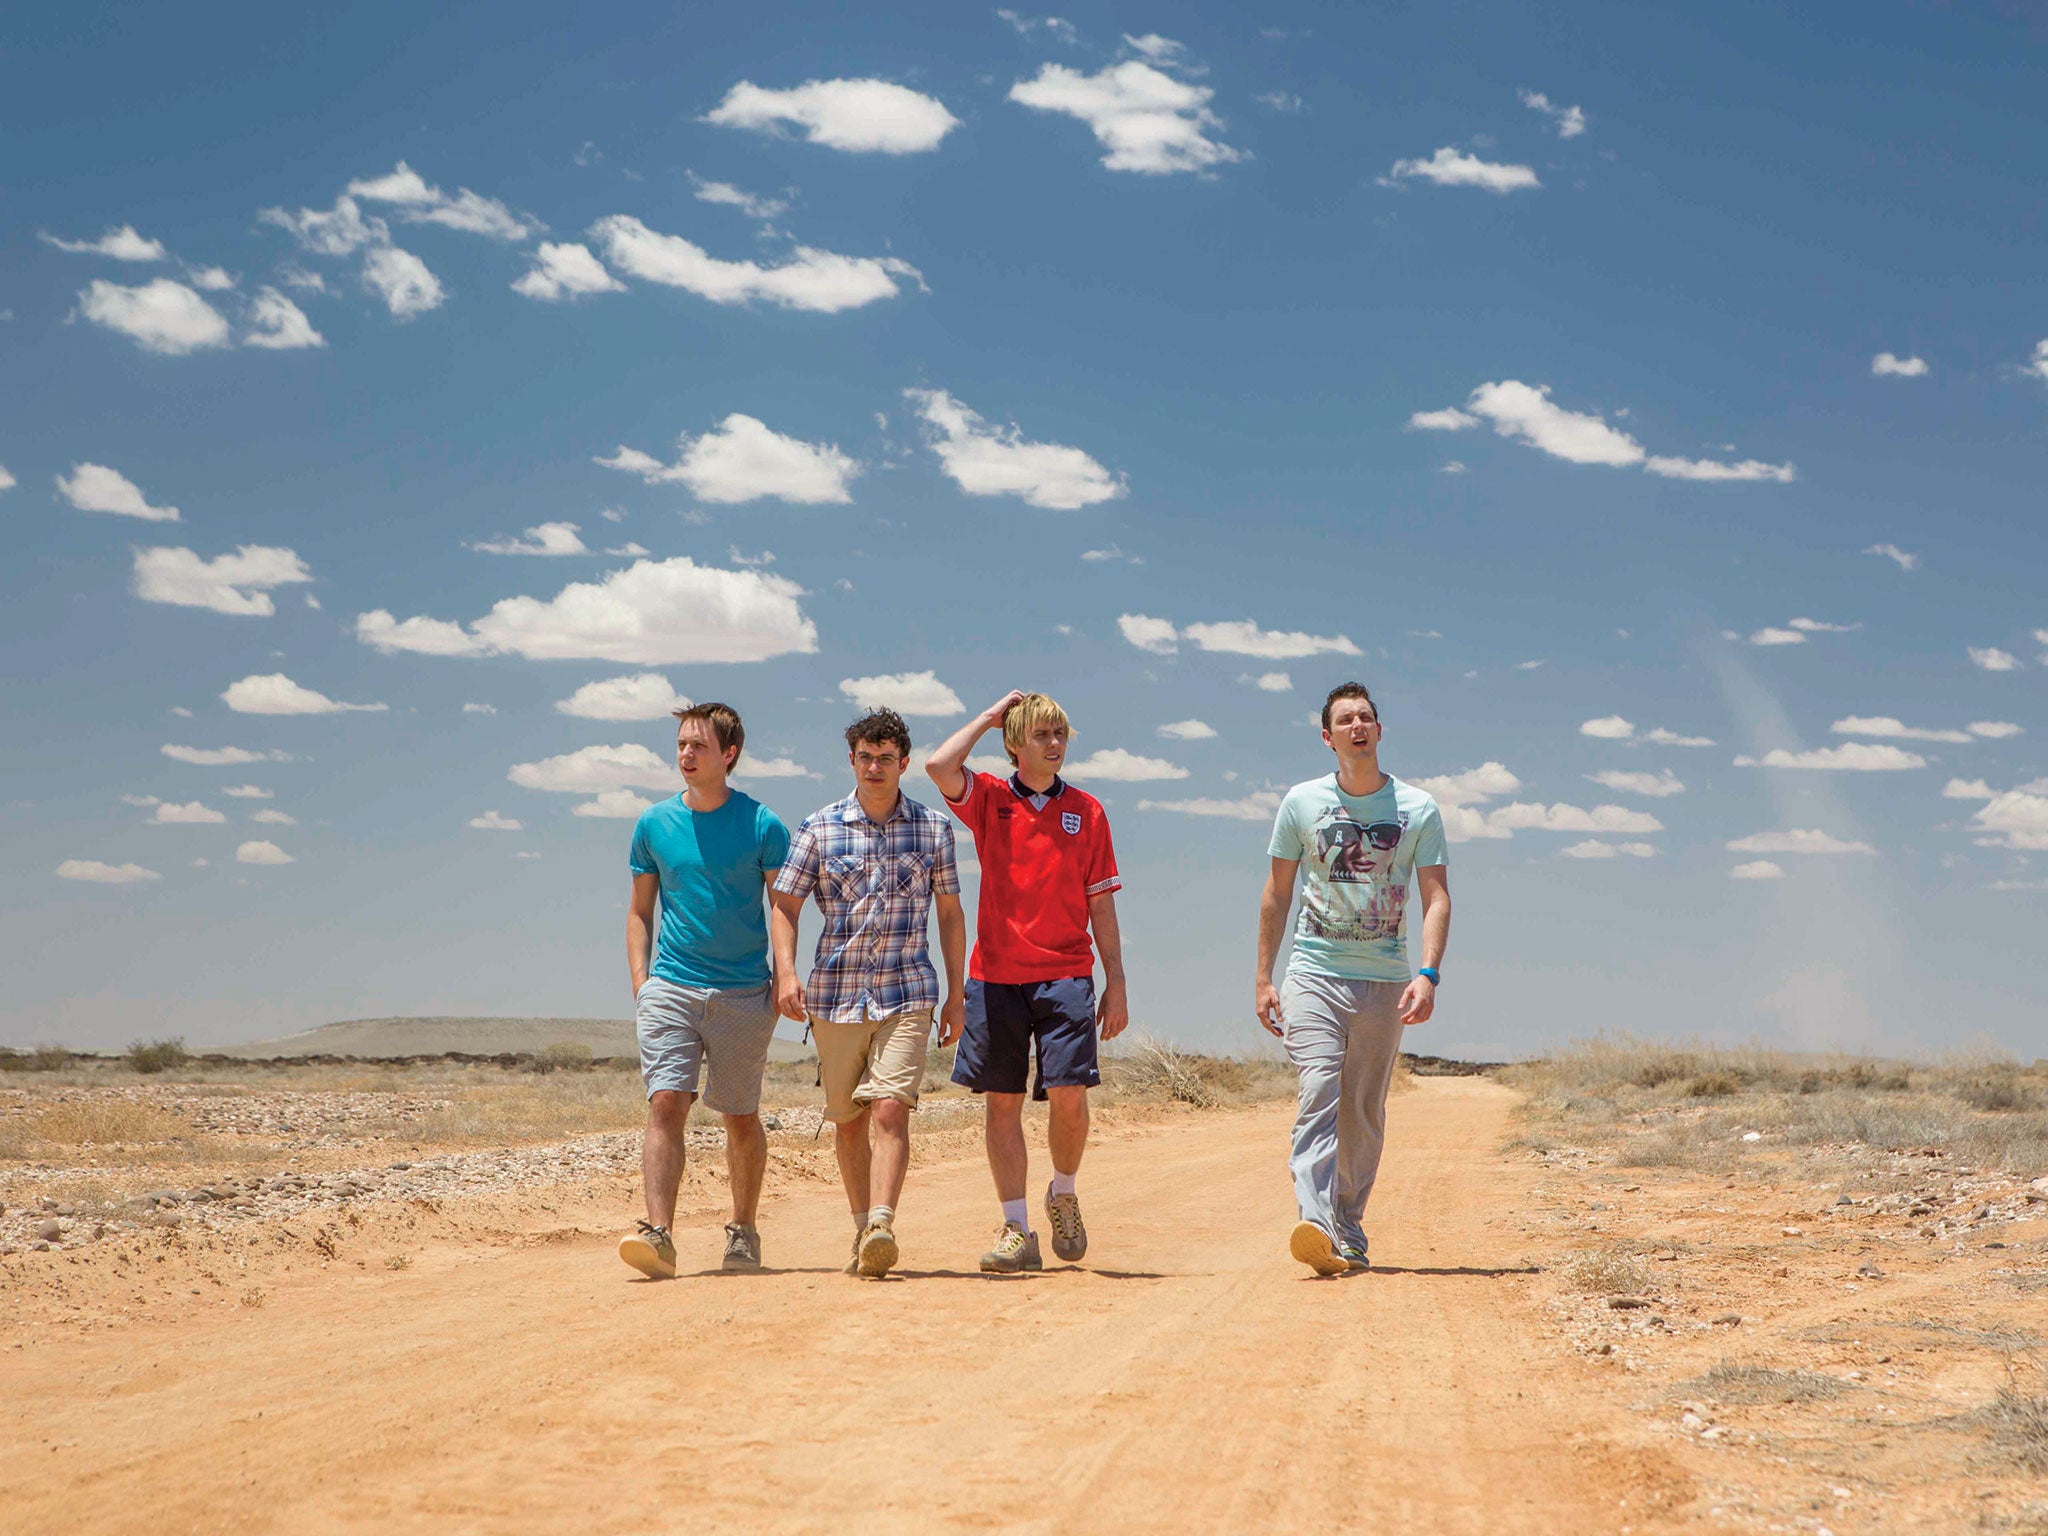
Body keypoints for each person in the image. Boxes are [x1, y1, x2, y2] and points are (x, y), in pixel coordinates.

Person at [924, 690, 1128, 1274]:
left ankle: (1063, 1192)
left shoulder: (1087, 810)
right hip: (995, 976)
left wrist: (1116, 983)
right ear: (1014, 745)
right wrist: (991, 717)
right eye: (1041, 734)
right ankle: (1017, 1228)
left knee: (1069, 1097)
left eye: (1060, 733)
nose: (1055, 743)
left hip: (1066, 974)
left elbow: (1103, 904)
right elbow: (940, 767)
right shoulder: (989, 797)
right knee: (1003, 1104)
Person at [1254, 682, 1451, 1276]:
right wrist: (1263, 977)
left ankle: (1347, 1224)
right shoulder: (1300, 803)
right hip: (1312, 972)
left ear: (1379, 730)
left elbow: (1436, 896)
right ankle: (1314, 1222)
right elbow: (1277, 893)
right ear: (1327, 736)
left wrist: (1428, 973)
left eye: (1367, 717)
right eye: (1346, 720)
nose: (1358, 726)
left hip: (1386, 981)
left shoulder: (1418, 809)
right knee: (1318, 1090)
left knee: (1362, 1110)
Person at [768, 708, 967, 1279]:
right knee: (849, 1120)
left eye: (886, 758)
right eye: (865, 757)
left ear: (904, 764)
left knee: (889, 1108)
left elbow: (951, 915)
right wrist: (786, 973)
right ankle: (863, 1232)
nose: (875, 767)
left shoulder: (933, 830)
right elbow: (785, 904)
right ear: (851, 760)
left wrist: (956, 994)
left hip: (909, 990)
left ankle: (882, 1222)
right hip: (834, 995)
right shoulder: (819, 828)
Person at [618, 702, 791, 1280]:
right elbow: (640, 911)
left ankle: (743, 1230)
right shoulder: (653, 824)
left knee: (739, 1114)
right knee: (666, 1100)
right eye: (682, 745)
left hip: (744, 992)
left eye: (699, 746)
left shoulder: (764, 824)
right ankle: (659, 1234)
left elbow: (782, 908)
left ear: (729, 754)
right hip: (670, 985)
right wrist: (643, 983)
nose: (686, 755)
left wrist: (784, 975)